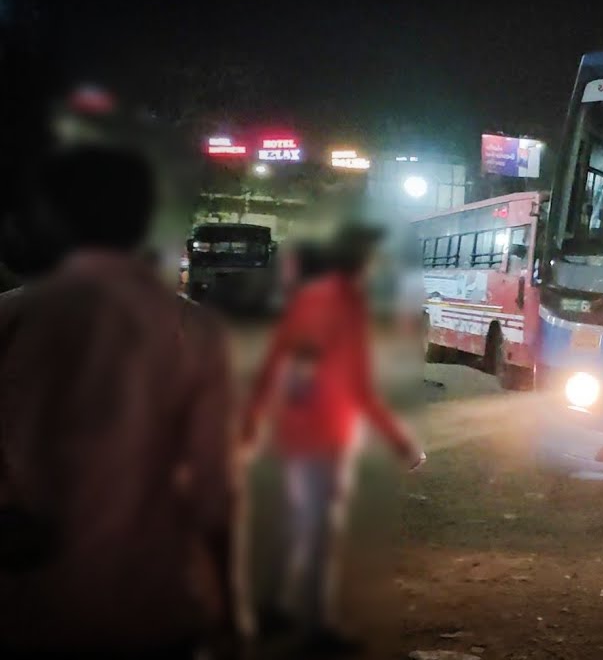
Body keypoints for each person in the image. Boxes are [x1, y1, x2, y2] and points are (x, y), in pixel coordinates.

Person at [0, 147, 235, 658]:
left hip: (30, 602)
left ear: (52, 219)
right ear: (144, 221)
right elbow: (212, 488)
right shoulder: (195, 327)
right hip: (151, 604)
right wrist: (230, 608)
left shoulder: (12, 317)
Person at [243, 223, 424, 655]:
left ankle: (272, 608)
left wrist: (254, 418)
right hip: (324, 435)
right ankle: (314, 628)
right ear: (360, 261)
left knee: (299, 521)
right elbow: (357, 386)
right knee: (319, 530)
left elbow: (278, 360)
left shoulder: (311, 299)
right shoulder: (345, 306)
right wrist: (399, 442)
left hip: (298, 429)